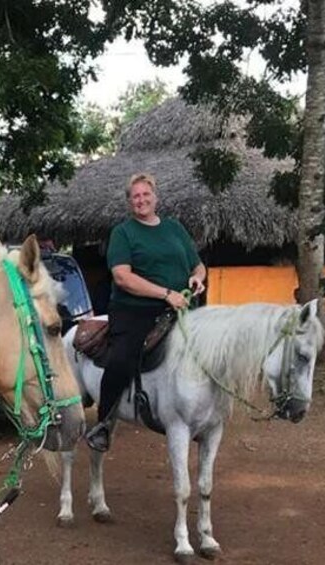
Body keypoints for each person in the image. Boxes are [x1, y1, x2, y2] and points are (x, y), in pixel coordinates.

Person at [85, 173, 205, 452]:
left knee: (210, 355)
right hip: (134, 311)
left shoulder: (175, 229)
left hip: (182, 308)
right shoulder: (123, 233)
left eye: (145, 194)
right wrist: (165, 294)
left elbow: (197, 265)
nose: (141, 200)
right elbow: (123, 277)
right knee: (122, 358)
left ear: (155, 197)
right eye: (135, 196)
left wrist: (197, 278)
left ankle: (202, 415)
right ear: (130, 202)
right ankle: (103, 423)